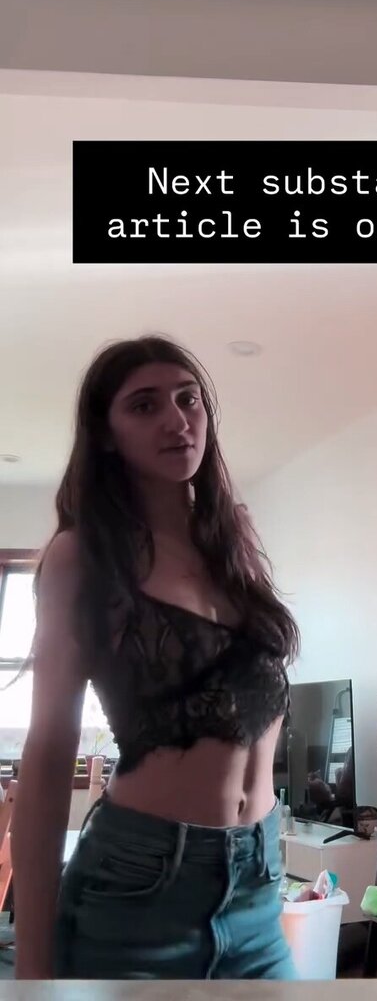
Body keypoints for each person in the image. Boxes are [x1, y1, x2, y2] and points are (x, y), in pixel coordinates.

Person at [10, 335, 300, 981]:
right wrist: (32, 970)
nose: (177, 419)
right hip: (140, 888)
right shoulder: (83, 556)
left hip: (257, 887)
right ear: (107, 435)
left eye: (188, 399)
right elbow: (49, 752)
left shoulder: (233, 540)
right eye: (144, 405)